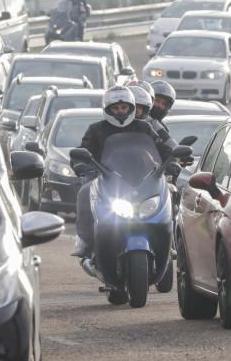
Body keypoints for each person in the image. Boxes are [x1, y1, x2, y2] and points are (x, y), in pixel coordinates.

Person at [71, 86, 174, 258]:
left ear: (131, 107)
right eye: (116, 108)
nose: (120, 112)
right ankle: (85, 241)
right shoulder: (96, 129)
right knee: (84, 192)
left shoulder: (144, 127)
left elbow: (162, 148)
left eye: (124, 107)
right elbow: (82, 151)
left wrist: (172, 161)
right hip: (105, 178)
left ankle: (167, 240)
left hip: (143, 177)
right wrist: (80, 165)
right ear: (107, 109)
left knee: (170, 191)